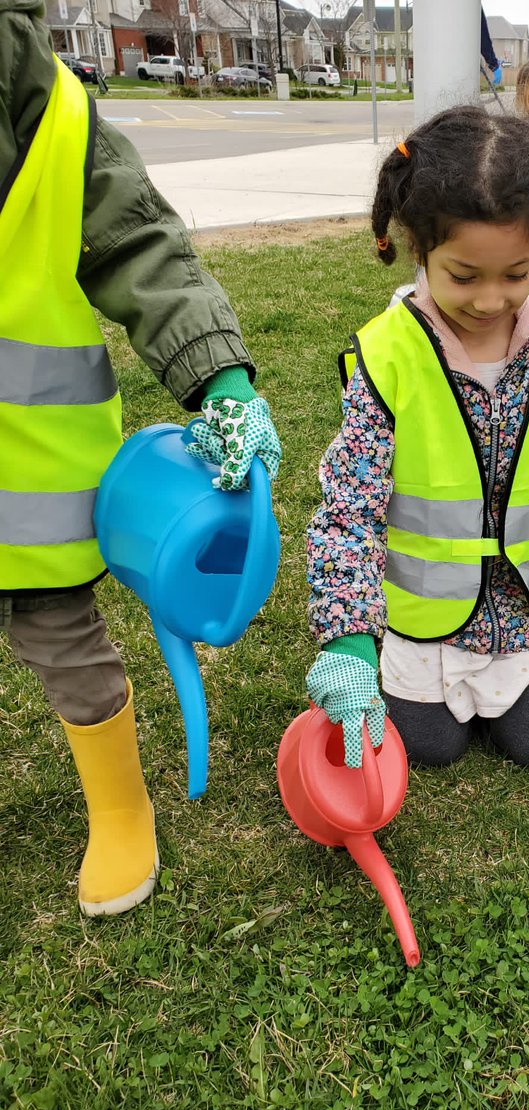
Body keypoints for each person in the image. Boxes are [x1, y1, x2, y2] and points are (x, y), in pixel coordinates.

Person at [1, 1, 282, 916]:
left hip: (26, 476)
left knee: (64, 642)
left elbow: (143, 246)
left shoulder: (47, 102)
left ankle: (121, 809)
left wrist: (219, 381)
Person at [304, 105, 529, 771]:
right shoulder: (387, 356)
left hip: (523, 613)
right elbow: (348, 511)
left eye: (516, 273)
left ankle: (513, 665)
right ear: (420, 251)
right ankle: (410, 671)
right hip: (423, 617)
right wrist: (349, 638)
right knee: (428, 748)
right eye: (463, 276)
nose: (489, 299)